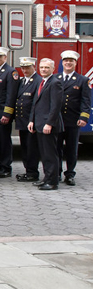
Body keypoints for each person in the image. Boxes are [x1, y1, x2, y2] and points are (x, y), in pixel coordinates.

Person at [56, 50, 90, 186]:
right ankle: (56, 173)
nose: (68, 63)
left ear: (75, 63)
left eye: (71, 61)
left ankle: (70, 174)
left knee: (71, 148)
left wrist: (83, 117)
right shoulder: (55, 78)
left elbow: (85, 101)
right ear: (62, 62)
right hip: (57, 120)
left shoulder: (83, 80)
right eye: (66, 61)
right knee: (56, 148)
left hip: (73, 120)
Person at [29, 58, 64, 190]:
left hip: (48, 126)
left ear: (53, 69)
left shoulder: (55, 83)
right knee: (44, 154)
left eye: (47, 68)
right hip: (39, 124)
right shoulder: (43, 82)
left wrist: (49, 123)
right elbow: (36, 103)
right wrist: (32, 120)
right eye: (42, 67)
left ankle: (53, 182)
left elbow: (55, 106)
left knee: (50, 154)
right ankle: (46, 178)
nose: (43, 69)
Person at [0, 46, 19, 178]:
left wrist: (7, 114)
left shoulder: (11, 72)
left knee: (4, 141)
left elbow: (11, 96)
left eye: (0, 56)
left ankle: (6, 167)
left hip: (3, 114)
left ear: (5, 57)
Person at [14, 57, 41, 183]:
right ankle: (28, 171)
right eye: (23, 67)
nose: (24, 70)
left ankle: (32, 172)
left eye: (27, 67)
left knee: (31, 149)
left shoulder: (38, 81)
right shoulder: (22, 81)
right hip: (22, 121)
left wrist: (32, 120)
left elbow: (36, 103)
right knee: (25, 147)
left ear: (34, 67)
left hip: (31, 122)